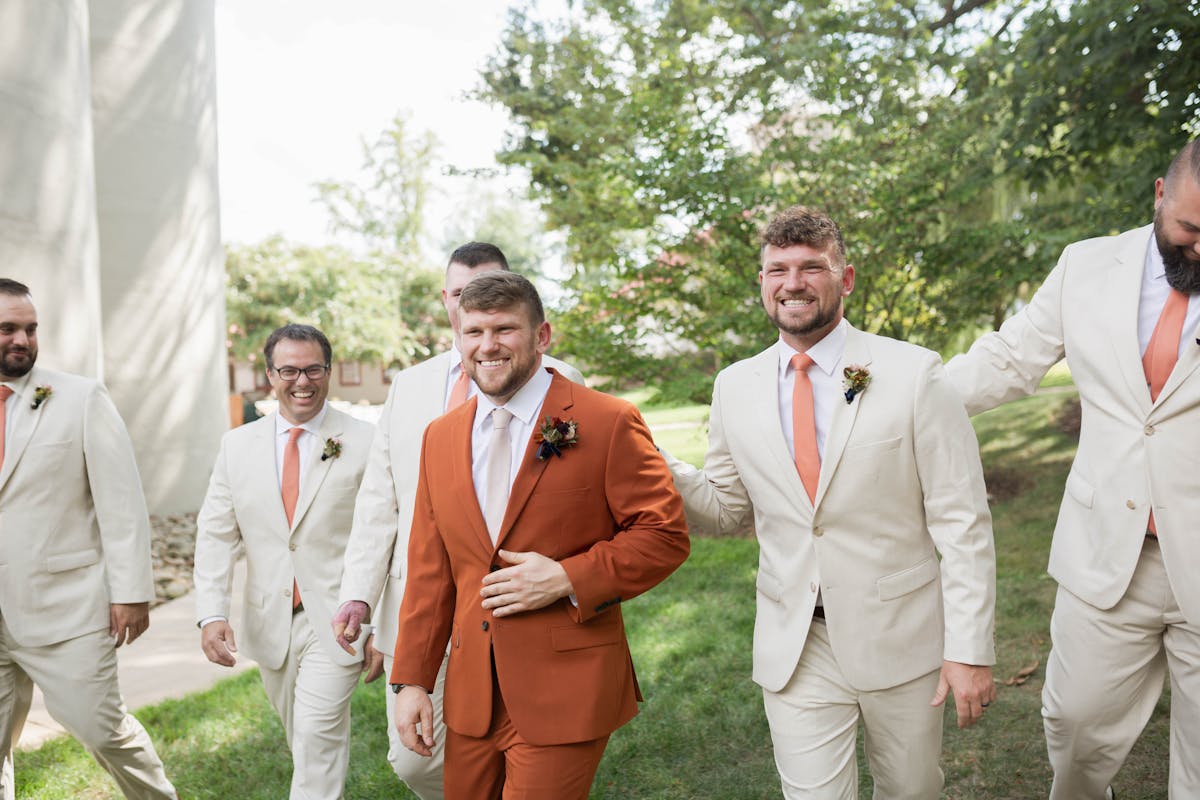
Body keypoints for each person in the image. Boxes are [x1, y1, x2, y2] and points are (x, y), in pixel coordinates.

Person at [661, 207, 997, 799]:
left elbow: (961, 520)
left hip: (900, 634)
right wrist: (650, 461)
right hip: (796, 642)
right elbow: (724, 510)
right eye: (777, 269)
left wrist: (969, 648)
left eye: (811, 266)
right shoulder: (734, 386)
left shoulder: (914, 372)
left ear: (844, 279)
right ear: (762, 282)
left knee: (911, 791)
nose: (792, 282)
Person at [946, 140, 1200, 800]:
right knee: (1075, 725)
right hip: (1109, 557)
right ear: (1158, 195)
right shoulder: (1086, 266)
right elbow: (1005, 360)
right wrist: (863, 393)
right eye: (1190, 229)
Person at [388, 271, 689, 799]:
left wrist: (566, 577)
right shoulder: (440, 437)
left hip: (567, 685)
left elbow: (663, 535)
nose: (488, 346)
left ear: (542, 336)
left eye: (504, 329)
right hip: (472, 693)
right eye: (474, 332)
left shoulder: (607, 420)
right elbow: (432, 571)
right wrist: (413, 681)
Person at [333, 243, 582, 799]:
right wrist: (359, 594)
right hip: (422, 600)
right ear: (446, 301)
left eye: (491, 287)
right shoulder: (410, 385)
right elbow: (381, 499)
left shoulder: (561, 376)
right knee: (416, 760)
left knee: (518, 742)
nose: (472, 301)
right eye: (459, 294)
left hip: (516, 597)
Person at [0, 279, 177, 799]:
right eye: (7, 328)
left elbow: (121, 504)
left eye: (30, 329)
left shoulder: (80, 398)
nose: (22, 340)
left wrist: (130, 592)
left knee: (101, 728)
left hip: (66, 608)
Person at [193, 324, 375, 799]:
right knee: (306, 741)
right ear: (270, 375)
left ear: (329, 371)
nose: (303, 381)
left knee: (316, 736)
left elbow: (385, 538)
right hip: (269, 620)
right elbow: (215, 533)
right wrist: (212, 614)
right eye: (289, 370)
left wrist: (385, 625)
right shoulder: (237, 446)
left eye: (313, 368)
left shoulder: (366, 441)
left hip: (339, 619)